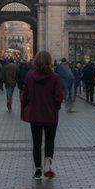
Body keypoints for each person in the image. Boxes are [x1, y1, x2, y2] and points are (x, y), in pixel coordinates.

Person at [20, 50, 64, 179]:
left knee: (36, 142)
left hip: (35, 114)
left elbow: (25, 93)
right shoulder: (55, 77)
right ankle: (47, 165)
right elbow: (59, 96)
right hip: (50, 115)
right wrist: (55, 107)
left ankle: (38, 170)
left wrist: (26, 106)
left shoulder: (29, 75)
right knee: (50, 141)